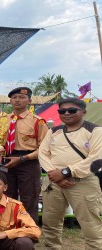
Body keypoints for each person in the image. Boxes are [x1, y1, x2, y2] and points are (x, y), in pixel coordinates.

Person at [38, 98, 102, 249]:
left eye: (72, 110)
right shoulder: (53, 131)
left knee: (90, 224)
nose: (66, 113)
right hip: (54, 182)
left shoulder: (95, 130)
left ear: (83, 112)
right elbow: (43, 153)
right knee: (50, 223)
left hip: (83, 181)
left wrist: (66, 172)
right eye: (62, 111)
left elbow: (96, 158)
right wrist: (55, 175)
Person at [0, 87, 48, 222]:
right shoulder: (3, 120)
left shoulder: (38, 121)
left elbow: (44, 148)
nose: (17, 100)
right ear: (10, 101)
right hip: (6, 160)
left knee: (29, 197)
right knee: (7, 196)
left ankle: (29, 231)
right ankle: (9, 227)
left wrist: (22, 158)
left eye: (22, 97)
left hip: (28, 161)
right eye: (14, 97)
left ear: (30, 100)